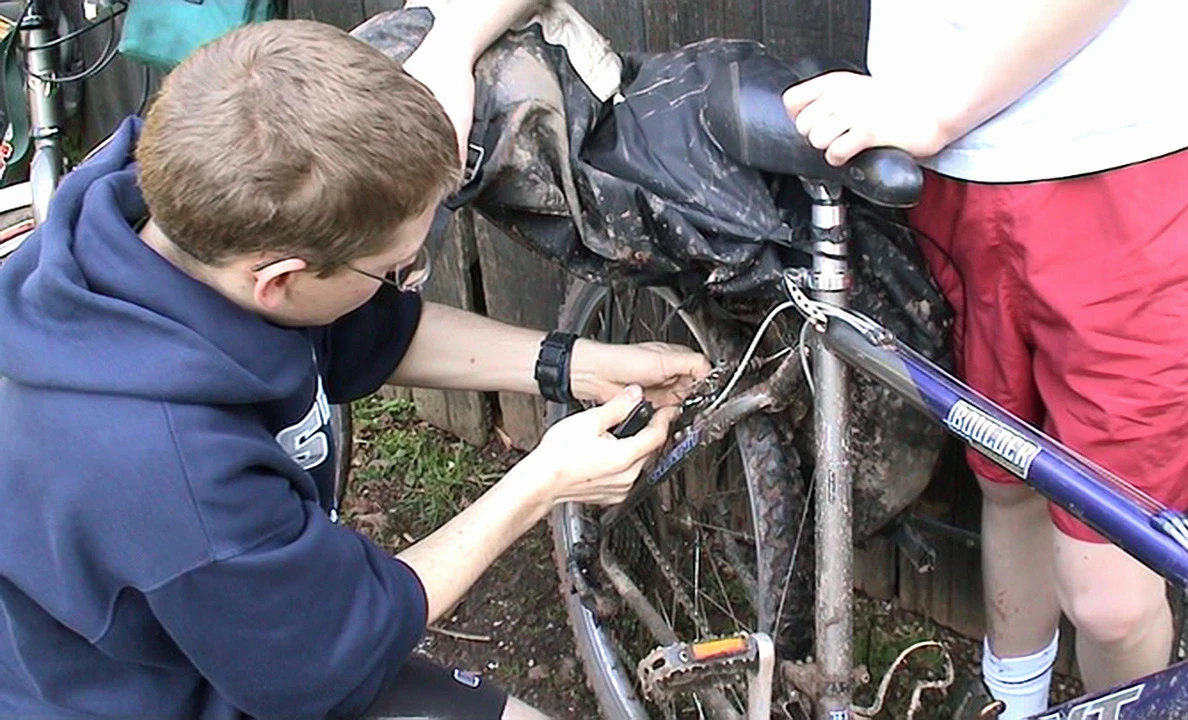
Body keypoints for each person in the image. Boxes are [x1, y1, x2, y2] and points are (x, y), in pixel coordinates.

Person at [0, 14, 709, 720]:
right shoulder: (171, 471)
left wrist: (576, 364)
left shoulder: (171, 213)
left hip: (240, 617)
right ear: (278, 280)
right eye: (395, 269)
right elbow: (333, 648)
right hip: (176, 693)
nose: (406, 282)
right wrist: (539, 483)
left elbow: (369, 334)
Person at [783, 1, 1188, 717]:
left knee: (1111, 598)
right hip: (953, 162)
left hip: (1132, 152)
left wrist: (937, 107)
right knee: (1006, 481)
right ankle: (1013, 700)